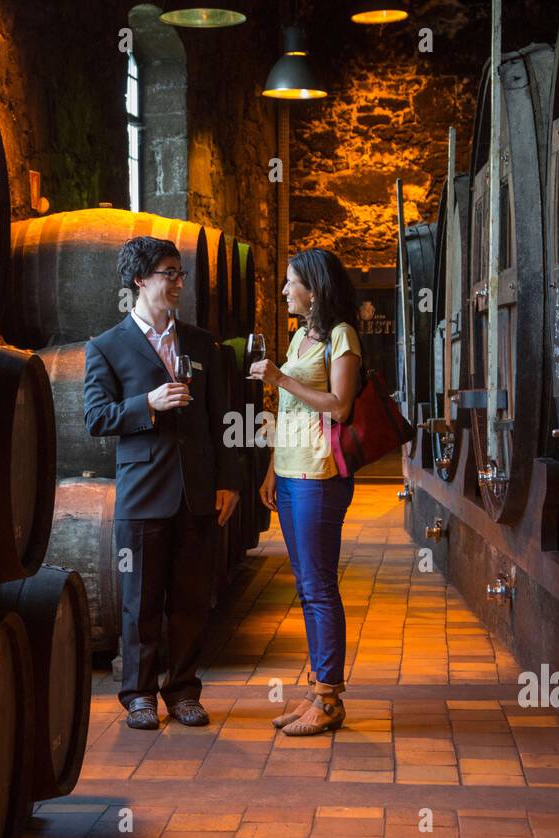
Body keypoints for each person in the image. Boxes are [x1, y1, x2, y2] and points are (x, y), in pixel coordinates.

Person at [84, 236, 241, 730]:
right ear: (139, 279)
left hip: (197, 493)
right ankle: (138, 695)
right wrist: (146, 404)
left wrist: (230, 481)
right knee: (140, 602)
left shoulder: (201, 342)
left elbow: (226, 416)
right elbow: (95, 417)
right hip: (143, 495)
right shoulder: (106, 347)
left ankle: (183, 692)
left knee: (193, 600)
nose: (178, 282)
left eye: (179, 273)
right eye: (168, 273)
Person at [249, 248, 362, 736]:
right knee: (304, 586)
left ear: (313, 289)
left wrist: (278, 378)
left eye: (291, 282)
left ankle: (329, 698)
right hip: (292, 474)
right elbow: (293, 413)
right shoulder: (301, 336)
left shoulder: (342, 337)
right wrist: (273, 469)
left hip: (320, 476)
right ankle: (316, 684)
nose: (284, 291)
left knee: (319, 587)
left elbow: (339, 406)